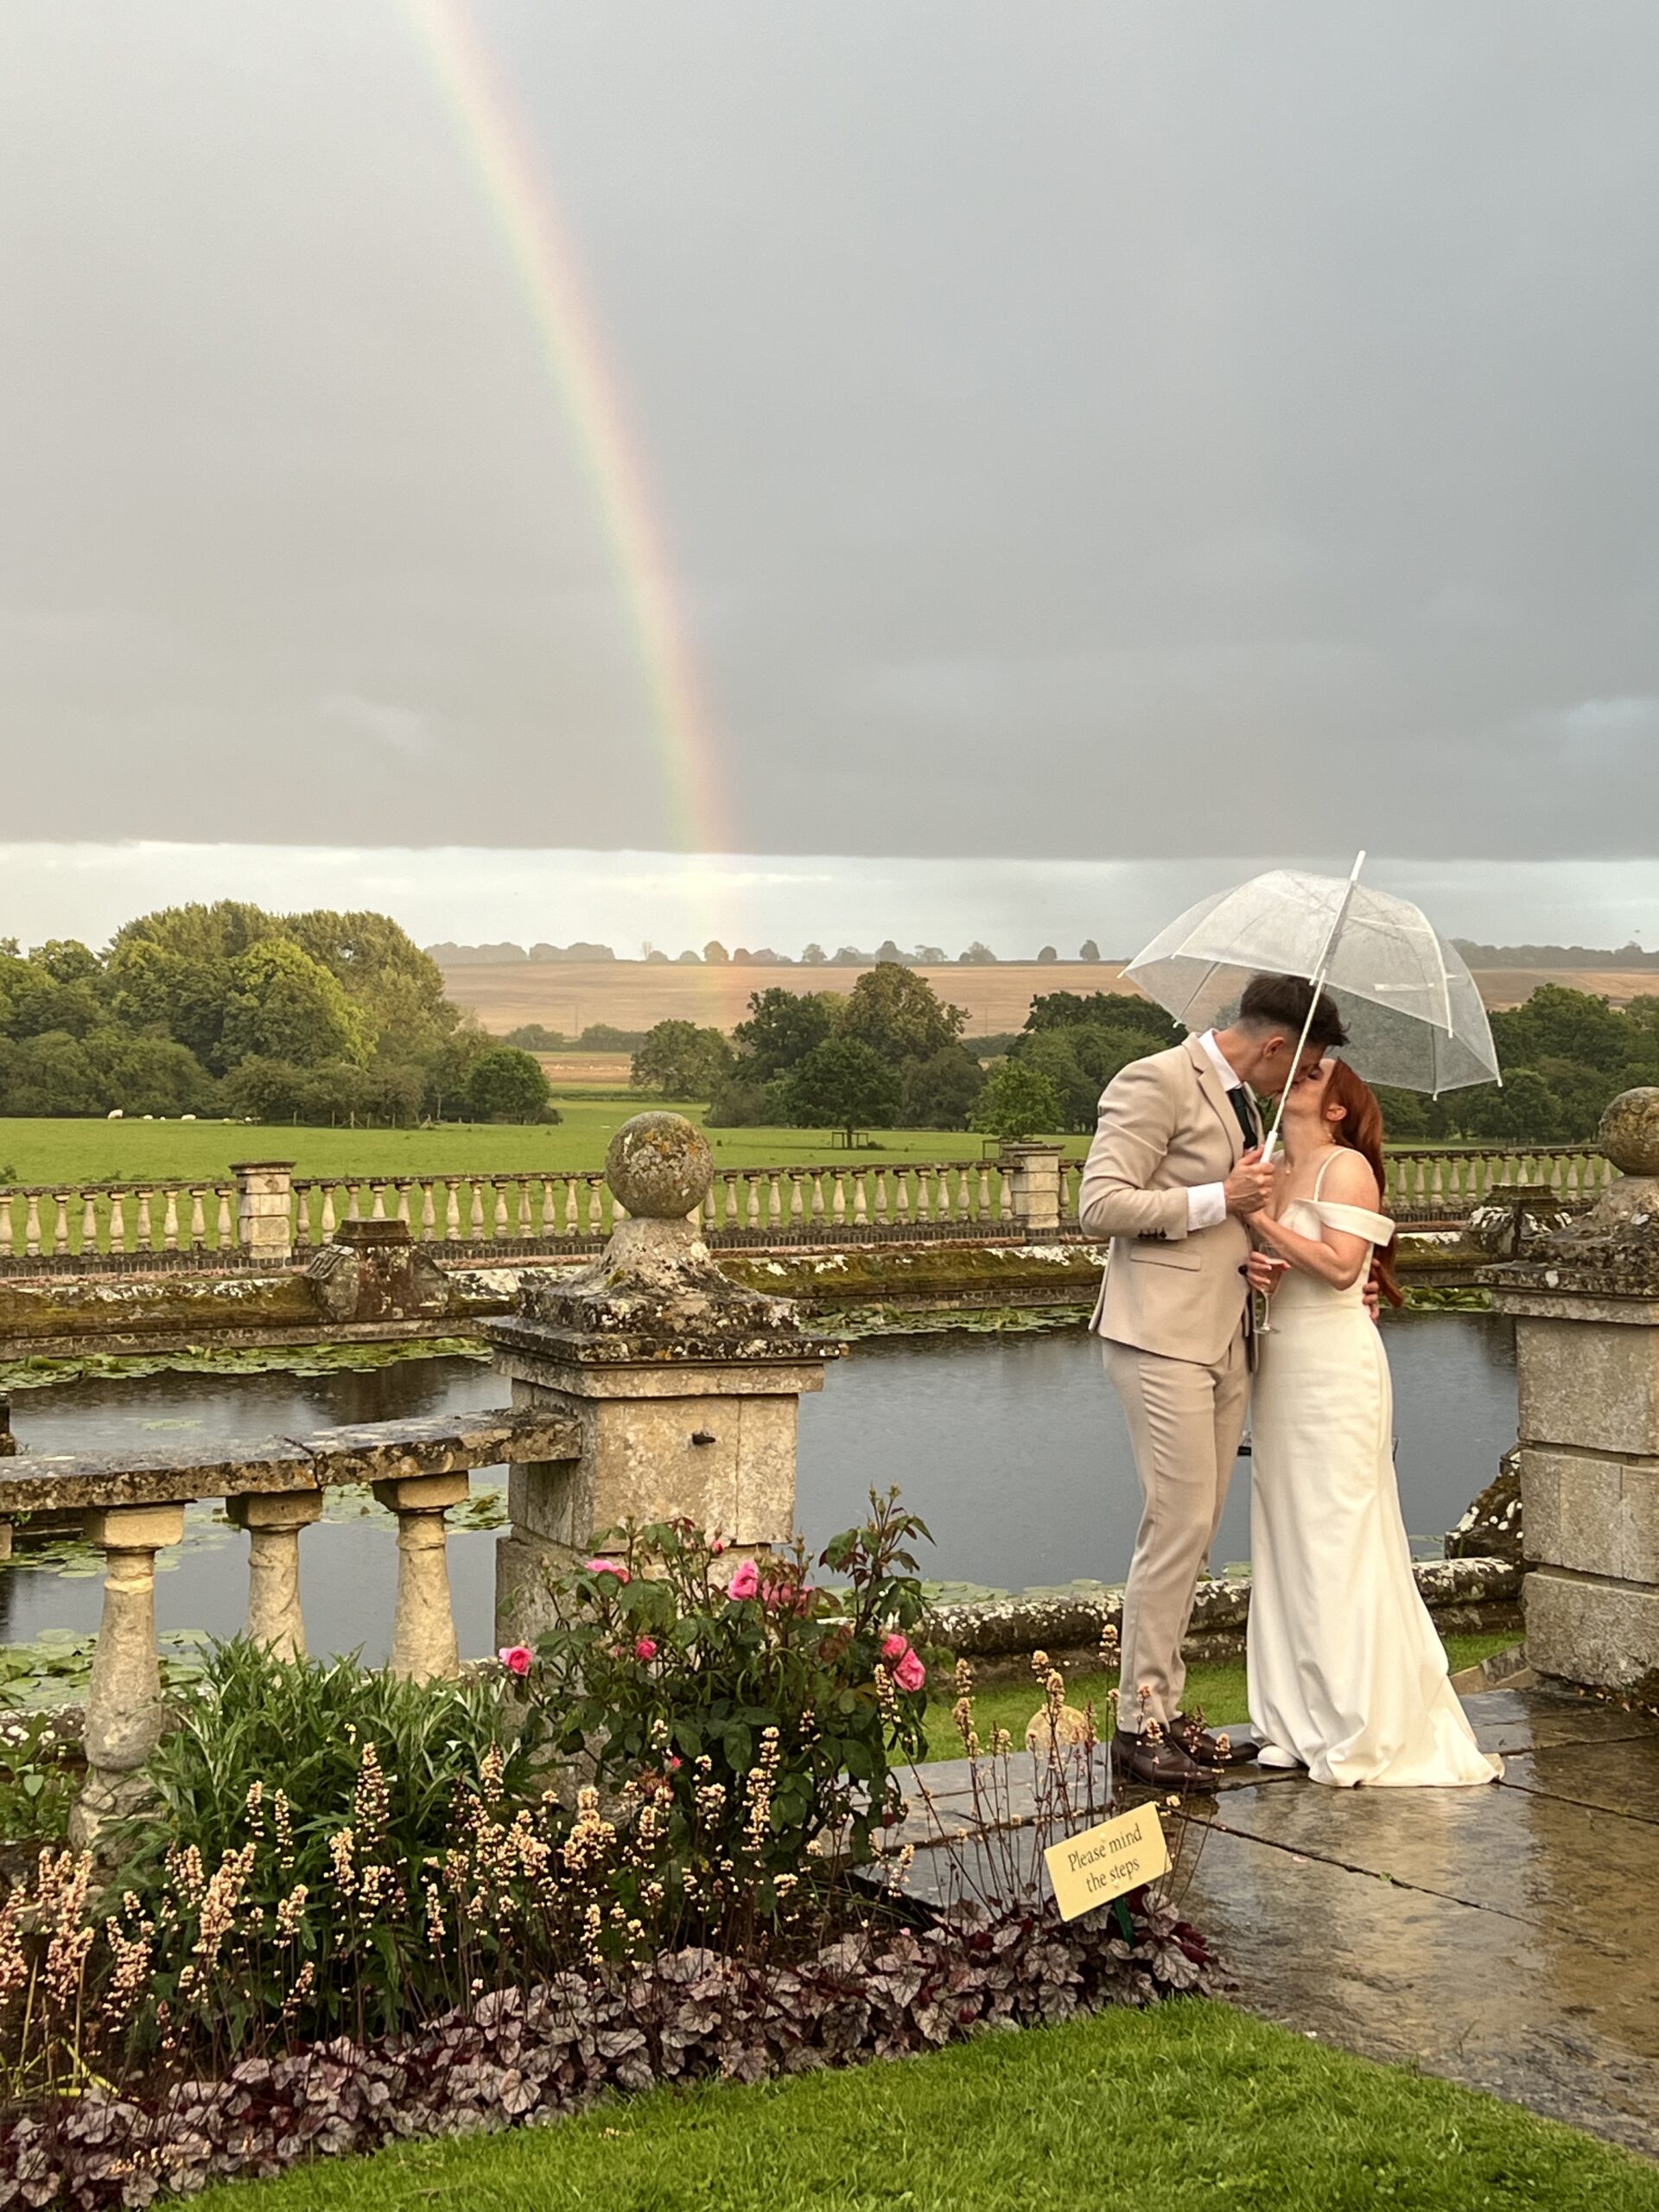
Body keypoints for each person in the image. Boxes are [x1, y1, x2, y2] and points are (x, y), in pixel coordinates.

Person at [1079, 973, 1346, 1788]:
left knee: (1195, 1532)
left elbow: (1224, 1223)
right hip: (1158, 1338)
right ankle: (1138, 1724)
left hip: (1226, 1336)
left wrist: (1249, 1253)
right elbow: (1099, 1204)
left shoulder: (1247, 1101)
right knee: (1177, 1524)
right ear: (1275, 1047)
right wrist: (1216, 1197)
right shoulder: (1155, 1079)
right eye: (1303, 1070)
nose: (1302, 1085)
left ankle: (1168, 1711)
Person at [1243, 1057, 1501, 1786]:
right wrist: (1254, 1262)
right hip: (1281, 1365)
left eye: (1316, 1070)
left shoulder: (1346, 1167)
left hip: (1335, 1368)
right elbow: (1281, 1260)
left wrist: (1259, 1221)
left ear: (1336, 1108)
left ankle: (1361, 1719)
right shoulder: (1267, 1160)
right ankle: (1293, 1718)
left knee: (1339, 1531)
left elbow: (1338, 1266)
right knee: (1284, 1529)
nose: (1298, 1069)